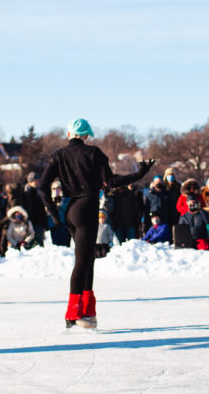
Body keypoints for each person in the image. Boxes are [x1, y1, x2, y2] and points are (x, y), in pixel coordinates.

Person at [39, 118, 153, 329]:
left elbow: (42, 186)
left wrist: (55, 215)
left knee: (87, 258)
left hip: (71, 209)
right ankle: (73, 313)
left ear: (68, 135)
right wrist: (138, 174)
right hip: (87, 209)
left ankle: (88, 312)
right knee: (83, 262)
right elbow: (110, 182)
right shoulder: (94, 153)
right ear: (87, 136)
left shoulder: (59, 155)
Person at [21, 172, 48, 246]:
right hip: (29, 220)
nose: (36, 182)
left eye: (37, 180)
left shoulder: (40, 191)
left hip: (39, 219)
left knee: (39, 241)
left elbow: (42, 206)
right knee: (30, 241)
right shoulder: (25, 192)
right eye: (34, 180)